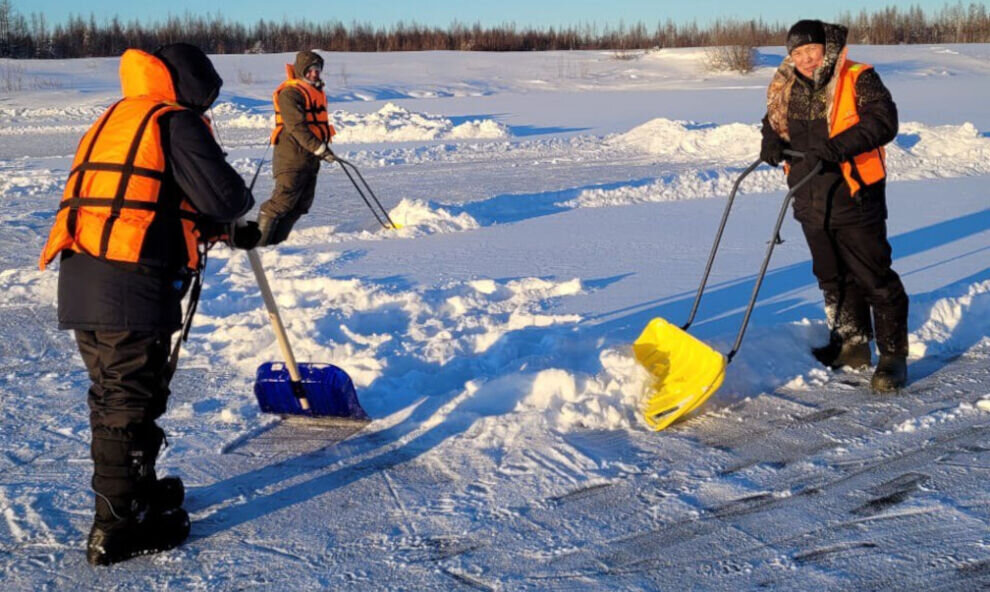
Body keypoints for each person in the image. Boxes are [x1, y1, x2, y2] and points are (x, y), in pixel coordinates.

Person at [38, 43, 260, 565]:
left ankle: (137, 490)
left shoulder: (119, 117)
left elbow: (144, 197)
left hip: (85, 276)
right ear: (191, 88)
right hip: (128, 283)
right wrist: (230, 216)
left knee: (121, 394)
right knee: (127, 402)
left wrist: (217, 233)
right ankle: (115, 525)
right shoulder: (174, 122)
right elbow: (226, 196)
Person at [760, 20, 909, 392]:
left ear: (826, 48)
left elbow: (883, 122)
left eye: (811, 50)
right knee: (830, 275)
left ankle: (893, 357)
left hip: (854, 193)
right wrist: (770, 142)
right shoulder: (786, 85)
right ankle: (851, 344)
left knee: (873, 275)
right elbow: (773, 122)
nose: (806, 59)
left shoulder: (858, 77)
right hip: (810, 194)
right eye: (797, 53)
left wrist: (838, 146)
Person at [256, 50, 336, 246]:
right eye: (311, 70)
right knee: (282, 202)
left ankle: (275, 246)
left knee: (301, 204)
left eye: (318, 70)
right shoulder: (290, 93)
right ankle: (257, 246)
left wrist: (321, 150)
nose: (315, 74)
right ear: (302, 70)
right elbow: (296, 127)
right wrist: (319, 148)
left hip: (310, 157)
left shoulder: (315, 92)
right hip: (291, 157)